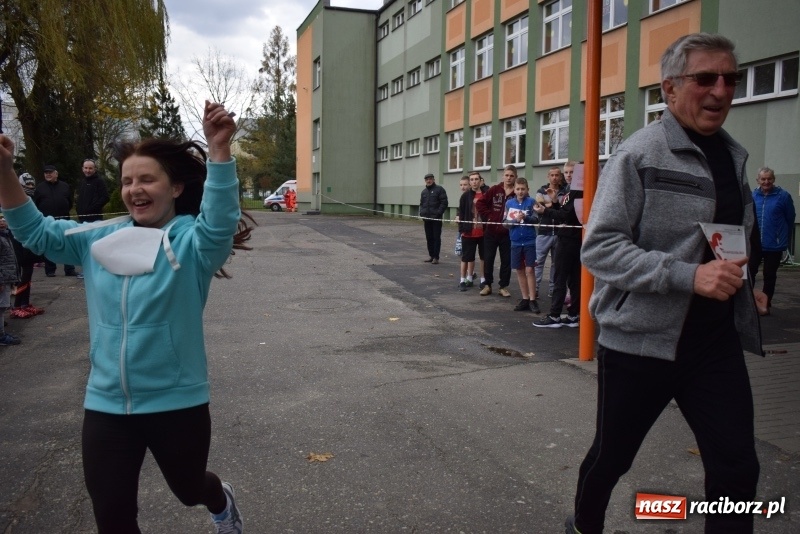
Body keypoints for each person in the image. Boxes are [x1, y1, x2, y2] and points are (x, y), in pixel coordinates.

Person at [0, 101, 248, 534]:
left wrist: (219, 151)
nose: (135, 188)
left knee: (189, 489)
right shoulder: (99, 238)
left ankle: (219, 499)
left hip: (177, 402)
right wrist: (3, 170)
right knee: (112, 519)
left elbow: (220, 222)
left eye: (147, 178)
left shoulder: (193, 244)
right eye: (128, 180)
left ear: (174, 188)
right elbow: (36, 232)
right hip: (107, 404)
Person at [565, 33, 768, 534]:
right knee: (613, 458)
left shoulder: (733, 156)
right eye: (705, 78)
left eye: (730, 79)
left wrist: (746, 281)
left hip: (714, 343)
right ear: (671, 89)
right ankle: (582, 526)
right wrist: (688, 275)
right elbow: (601, 247)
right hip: (640, 342)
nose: (721, 90)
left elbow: (730, 235)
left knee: (737, 467)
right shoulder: (639, 154)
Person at [532, 168, 582, 328]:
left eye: (572, 172)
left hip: (568, 239)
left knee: (561, 277)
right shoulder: (575, 191)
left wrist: (546, 210)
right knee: (573, 278)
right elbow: (566, 212)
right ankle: (574, 314)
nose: (568, 175)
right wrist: (554, 202)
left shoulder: (575, 192)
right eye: (566, 172)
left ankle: (554, 316)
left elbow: (566, 216)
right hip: (575, 238)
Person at [751, 166, 795, 312]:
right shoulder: (753, 196)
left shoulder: (783, 196)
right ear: (758, 180)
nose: (766, 181)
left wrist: (782, 237)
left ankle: (766, 304)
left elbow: (790, 218)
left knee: (769, 275)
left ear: (773, 179)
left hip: (774, 244)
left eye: (769, 178)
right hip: (755, 243)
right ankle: (749, 304)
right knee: (749, 273)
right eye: (763, 179)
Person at [476, 165, 516, 297]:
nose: (509, 178)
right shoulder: (494, 190)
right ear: (503, 175)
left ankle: (503, 286)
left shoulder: (517, 192)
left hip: (508, 234)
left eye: (511, 175)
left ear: (515, 177)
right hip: (491, 232)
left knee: (506, 261)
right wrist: (488, 216)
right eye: (507, 175)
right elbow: (480, 203)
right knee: (488, 259)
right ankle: (487, 285)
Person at [9, 173, 45, 318]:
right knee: (21, 274)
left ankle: (25, 303)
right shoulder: (13, 198)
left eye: (31, 185)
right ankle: (16, 306)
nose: (29, 188)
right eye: (26, 186)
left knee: (29, 272)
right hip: (16, 240)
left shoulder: (31, 199)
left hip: (30, 239)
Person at [503, 177, 539, 313]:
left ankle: (532, 299)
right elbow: (504, 223)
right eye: (518, 189)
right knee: (519, 270)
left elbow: (536, 219)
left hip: (529, 241)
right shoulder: (509, 203)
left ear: (527, 189)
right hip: (515, 241)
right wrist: (514, 221)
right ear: (514, 190)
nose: (520, 191)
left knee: (530, 270)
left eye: (523, 189)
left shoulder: (531, 202)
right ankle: (524, 298)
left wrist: (526, 218)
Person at [34, 164, 77, 277]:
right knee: (49, 244)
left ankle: (69, 269)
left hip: (64, 220)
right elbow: (36, 204)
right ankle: (50, 270)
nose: (48, 174)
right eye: (46, 172)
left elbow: (69, 202)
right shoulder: (40, 188)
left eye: (50, 172)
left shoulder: (65, 186)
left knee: (67, 244)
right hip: (47, 221)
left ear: (56, 173)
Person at [533, 167, 566, 298]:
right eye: (552, 175)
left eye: (557, 175)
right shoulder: (541, 190)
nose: (554, 178)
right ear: (548, 177)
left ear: (560, 177)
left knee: (556, 264)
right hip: (544, 232)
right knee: (538, 262)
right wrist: (554, 203)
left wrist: (548, 205)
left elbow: (564, 208)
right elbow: (538, 206)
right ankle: (534, 289)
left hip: (559, 232)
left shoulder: (565, 191)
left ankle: (553, 289)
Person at [457, 172, 485, 290]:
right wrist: (462, 228)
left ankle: (483, 280)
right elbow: (461, 213)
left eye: (476, 179)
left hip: (483, 233)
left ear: (480, 180)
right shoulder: (465, 196)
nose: (474, 181)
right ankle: (463, 280)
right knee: (466, 257)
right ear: (470, 182)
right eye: (472, 179)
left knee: (484, 257)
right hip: (468, 232)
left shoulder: (485, 194)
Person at [0, 214, 22, 345]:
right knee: (1, 306)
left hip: (7, 276)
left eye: (3, 218)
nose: (2, 221)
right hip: (2, 278)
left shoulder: (5, 235)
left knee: (3, 306)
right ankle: (1, 335)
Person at [419, 172, 448, 264]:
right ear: (425, 181)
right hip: (427, 219)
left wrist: (438, 214)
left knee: (436, 238)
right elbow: (422, 204)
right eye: (427, 179)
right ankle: (431, 256)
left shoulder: (439, 189)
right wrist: (421, 213)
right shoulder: (424, 192)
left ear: (434, 180)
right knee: (429, 238)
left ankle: (436, 257)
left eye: (430, 179)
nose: (429, 181)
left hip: (436, 219)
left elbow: (444, 203)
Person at [76, 159, 110, 223]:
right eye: (86, 168)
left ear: (94, 169)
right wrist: (78, 209)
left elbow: (105, 197)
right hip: (81, 218)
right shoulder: (82, 181)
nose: (88, 170)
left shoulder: (99, 181)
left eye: (90, 168)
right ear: (82, 169)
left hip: (94, 219)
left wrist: (92, 209)